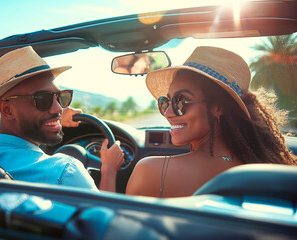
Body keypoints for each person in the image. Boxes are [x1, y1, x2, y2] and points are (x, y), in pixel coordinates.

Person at [126, 46, 296, 198]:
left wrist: (109, 171)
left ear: (217, 108)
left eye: (181, 101)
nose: (168, 113)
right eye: (165, 102)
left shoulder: (151, 171)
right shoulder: (269, 171)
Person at [0, 46, 124, 192]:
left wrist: (47, 121)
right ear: (6, 110)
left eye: (60, 97)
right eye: (42, 99)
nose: (58, 109)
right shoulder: (65, 172)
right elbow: (103, 219)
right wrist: (109, 170)